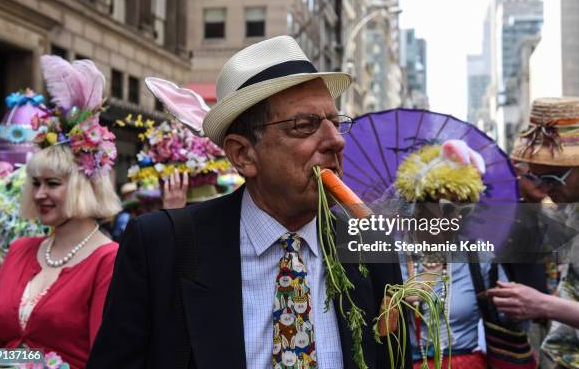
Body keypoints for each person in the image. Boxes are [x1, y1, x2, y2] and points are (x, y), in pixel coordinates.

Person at [88, 36, 409, 369]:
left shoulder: (370, 245)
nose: (336, 141)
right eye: (304, 125)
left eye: (336, 122)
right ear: (243, 154)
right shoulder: (162, 247)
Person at [0, 55, 122, 369]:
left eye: (52, 183)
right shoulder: (19, 250)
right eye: (35, 183)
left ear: (83, 185)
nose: (39, 194)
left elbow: (103, 358)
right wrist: (24, 362)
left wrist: (15, 363)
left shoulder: (108, 260)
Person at [371, 139, 514, 369]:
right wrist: (394, 304)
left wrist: (519, 305)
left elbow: (509, 319)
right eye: (448, 207)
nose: (457, 217)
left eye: (465, 208)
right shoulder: (389, 255)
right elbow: (366, 324)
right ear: (418, 204)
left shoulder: (477, 257)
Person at [491, 96, 579, 368]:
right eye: (536, 177)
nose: (544, 188)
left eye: (553, 178)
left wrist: (544, 305)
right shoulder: (571, 208)